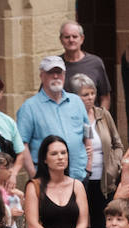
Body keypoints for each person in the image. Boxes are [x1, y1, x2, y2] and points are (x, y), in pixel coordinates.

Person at [17, 57, 92, 187]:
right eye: (50, 72)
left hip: (79, 176)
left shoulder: (76, 101)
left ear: (64, 75)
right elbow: (22, 145)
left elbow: (88, 132)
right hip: (46, 180)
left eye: (59, 72)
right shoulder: (29, 107)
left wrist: (88, 167)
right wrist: (34, 176)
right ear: (42, 76)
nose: (56, 76)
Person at [25, 136, 89, 228]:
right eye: (54, 154)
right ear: (44, 159)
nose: (60, 157)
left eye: (63, 153)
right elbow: (32, 224)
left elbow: (83, 222)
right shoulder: (34, 186)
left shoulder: (77, 185)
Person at [73, 73, 123, 228]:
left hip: (104, 180)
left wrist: (113, 167)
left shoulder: (103, 114)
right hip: (81, 178)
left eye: (92, 93)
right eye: (85, 94)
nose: (90, 98)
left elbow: (117, 144)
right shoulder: (72, 118)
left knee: (103, 223)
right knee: (81, 222)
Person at [58, 21, 111, 108]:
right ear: (61, 40)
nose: (71, 40)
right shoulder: (55, 65)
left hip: (90, 115)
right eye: (67, 37)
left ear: (82, 39)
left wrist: (100, 115)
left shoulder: (95, 63)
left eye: (75, 36)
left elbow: (105, 97)